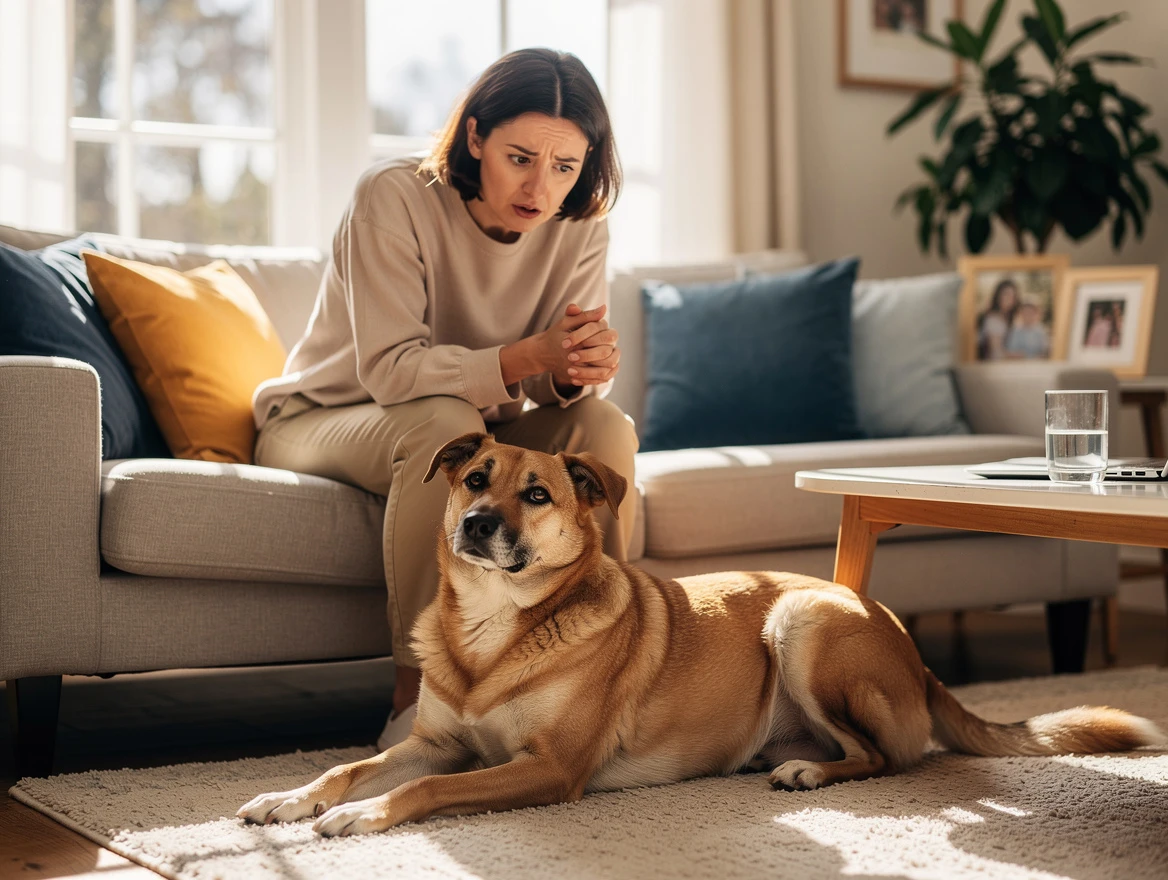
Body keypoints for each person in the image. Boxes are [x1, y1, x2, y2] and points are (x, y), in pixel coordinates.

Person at [250, 48, 638, 750]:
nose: (540, 188)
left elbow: (561, 381)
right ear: (475, 137)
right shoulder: (393, 194)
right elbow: (392, 372)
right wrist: (527, 356)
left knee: (602, 426)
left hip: (476, 419)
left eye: (565, 167)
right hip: (323, 416)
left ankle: (607, 670)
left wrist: (578, 368)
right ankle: (419, 698)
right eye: (520, 158)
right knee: (449, 426)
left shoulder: (582, 223)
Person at [976, 278, 1019, 360]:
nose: (1010, 298)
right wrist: (1020, 356)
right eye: (1006, 294)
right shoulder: (993, 320)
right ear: (998, 296)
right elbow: (996, 353)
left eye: (1013, 295)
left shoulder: (1010, 318)